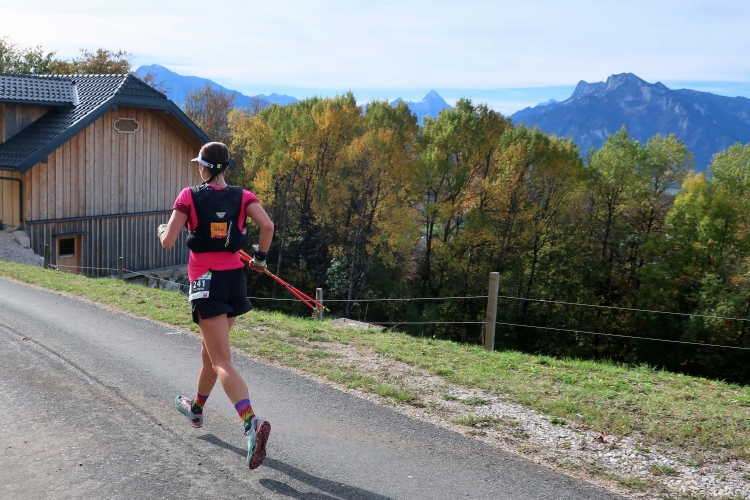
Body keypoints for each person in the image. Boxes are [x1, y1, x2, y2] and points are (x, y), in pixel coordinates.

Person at [157, 141, 274, 470]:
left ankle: (250, 423)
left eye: (200, 164)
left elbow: (168, 242)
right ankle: (196, 408)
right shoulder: (243, 196)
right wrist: (260, 259)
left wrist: (163, 230)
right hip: (234, 281)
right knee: (209, 353)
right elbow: (267, 226)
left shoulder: (188, 196)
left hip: (205, 282)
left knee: (221, 360)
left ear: (204, 167)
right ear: (226, 167)